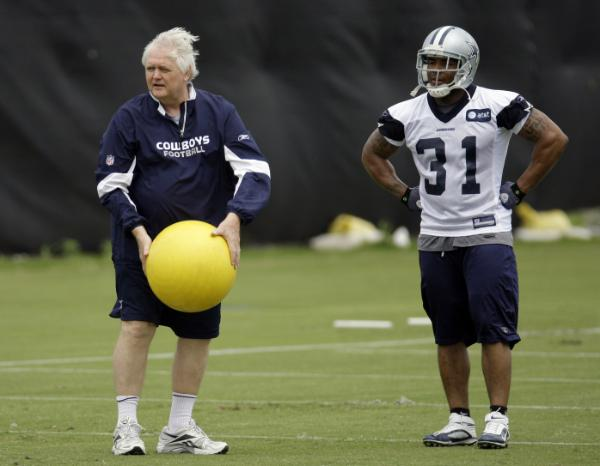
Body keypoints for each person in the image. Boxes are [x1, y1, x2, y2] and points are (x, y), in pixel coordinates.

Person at [361, 25, 567, 449]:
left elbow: (553, 138)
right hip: (435, 237)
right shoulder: (405, 112)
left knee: (494, 329)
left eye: (445, 63)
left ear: (466, 66)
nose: (435, 72)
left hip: (487, 232)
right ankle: (459, 419)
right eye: (430, 62)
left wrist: (520, 188)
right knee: (448, 332)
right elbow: (372, 155)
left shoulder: (499, 104)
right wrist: (404, 194)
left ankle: (497, 417)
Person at [95, 27, 271, 456]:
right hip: (145, 246)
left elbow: (255, 170)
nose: (154, 76)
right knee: (137, 327)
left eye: (164, 69)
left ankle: (178, 430)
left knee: (197, 335)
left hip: (203, 251)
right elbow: (110, 183)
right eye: (149, 69)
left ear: (187, 72)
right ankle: (127, 427)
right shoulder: (130, 117)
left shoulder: (218, 112)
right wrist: (137, 231)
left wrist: (234, 220)